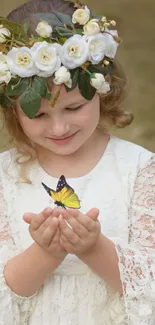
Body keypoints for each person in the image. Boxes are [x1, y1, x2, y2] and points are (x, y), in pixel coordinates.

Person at [0, 0, 154, 324]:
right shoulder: (6, 177)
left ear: (102, 90)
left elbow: (147, 286)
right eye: (38, 114)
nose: (59, 128)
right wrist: (46, 253)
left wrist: (92, 248)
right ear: (14, 112)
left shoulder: (138, 170)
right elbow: (8, 293)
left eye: (73, 108)